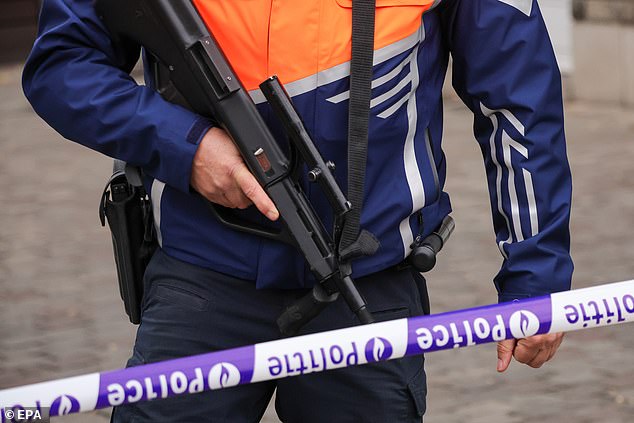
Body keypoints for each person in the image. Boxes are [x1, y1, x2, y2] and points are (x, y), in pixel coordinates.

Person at [22, 0, 573, 421]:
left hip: (368, 288)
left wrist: (536, 274)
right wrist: (188, 148)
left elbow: (516, 98)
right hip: (201, 277)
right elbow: (63, 63)